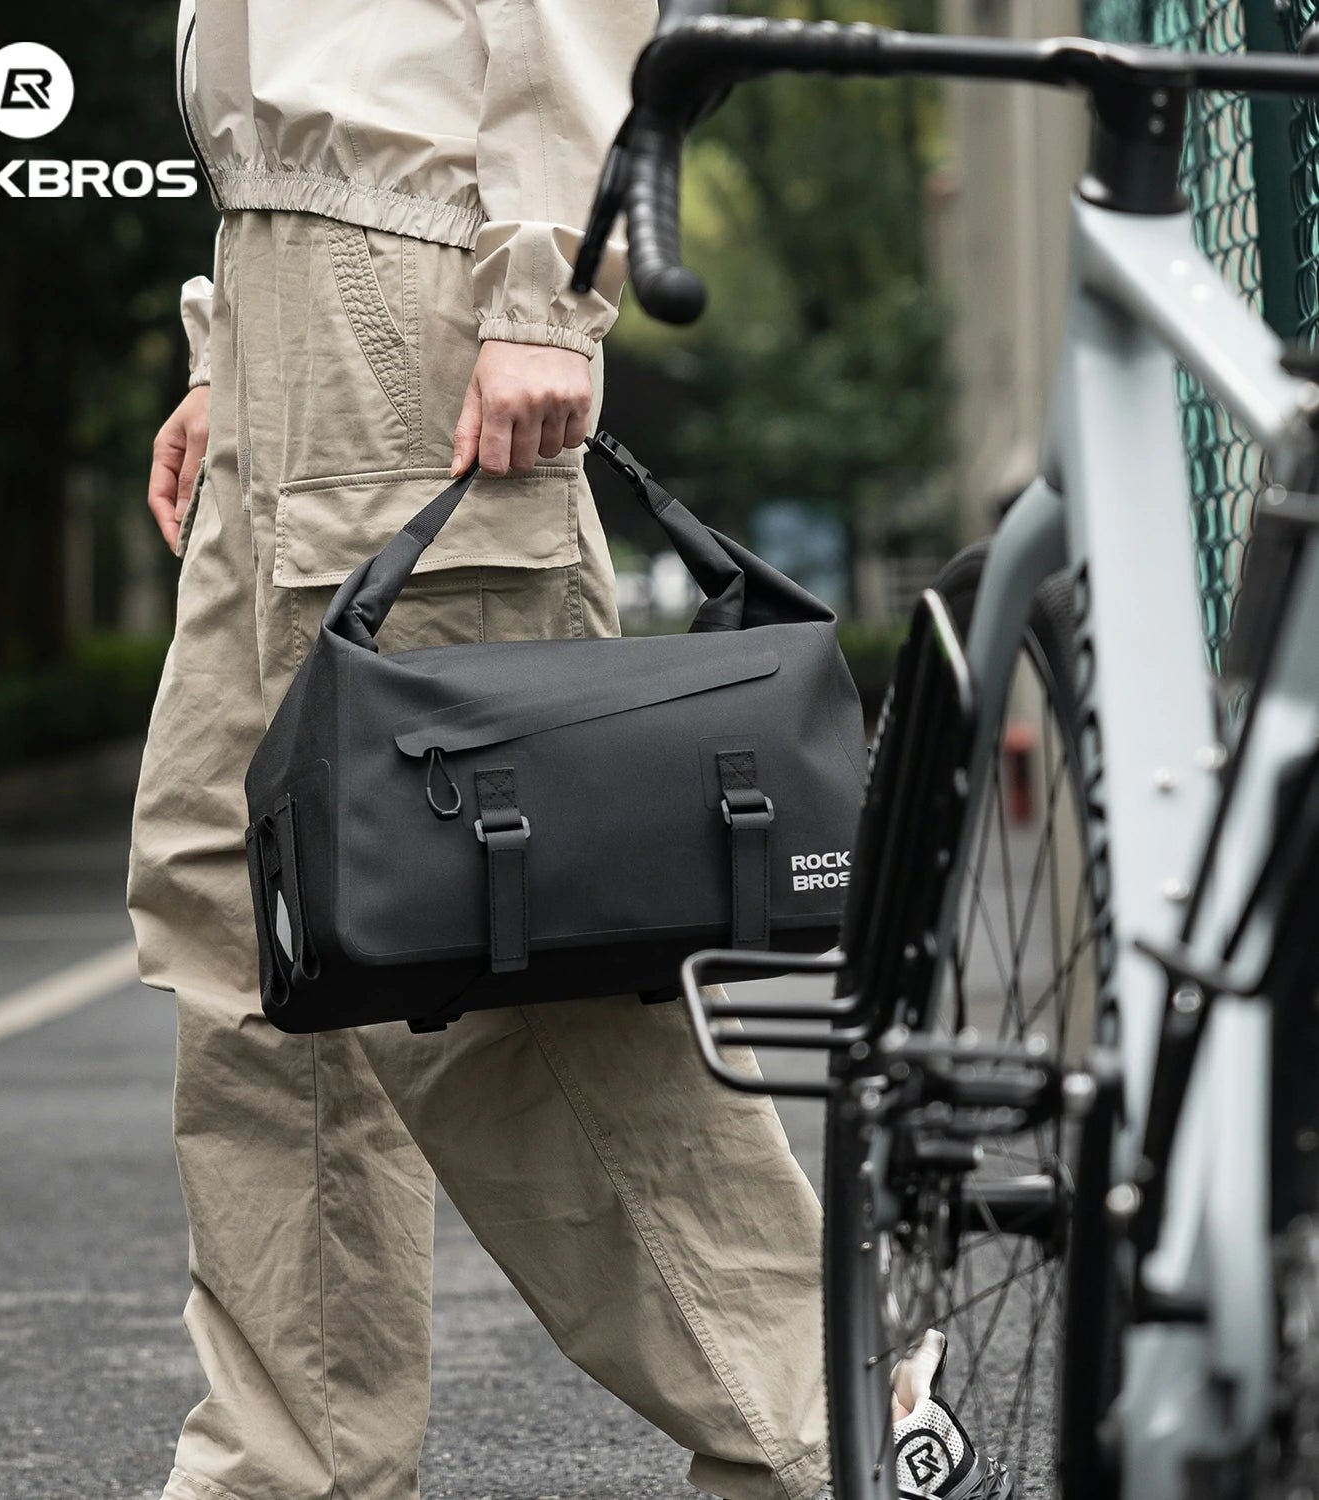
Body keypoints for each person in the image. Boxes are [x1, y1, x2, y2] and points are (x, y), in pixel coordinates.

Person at [129, 4, 1001, 1499]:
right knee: (247, 939)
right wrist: (233, 341)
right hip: (282, 301)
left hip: (406, 291)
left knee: (484, 939)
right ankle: (293, 1473)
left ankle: (834, 1412)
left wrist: (543, 283)